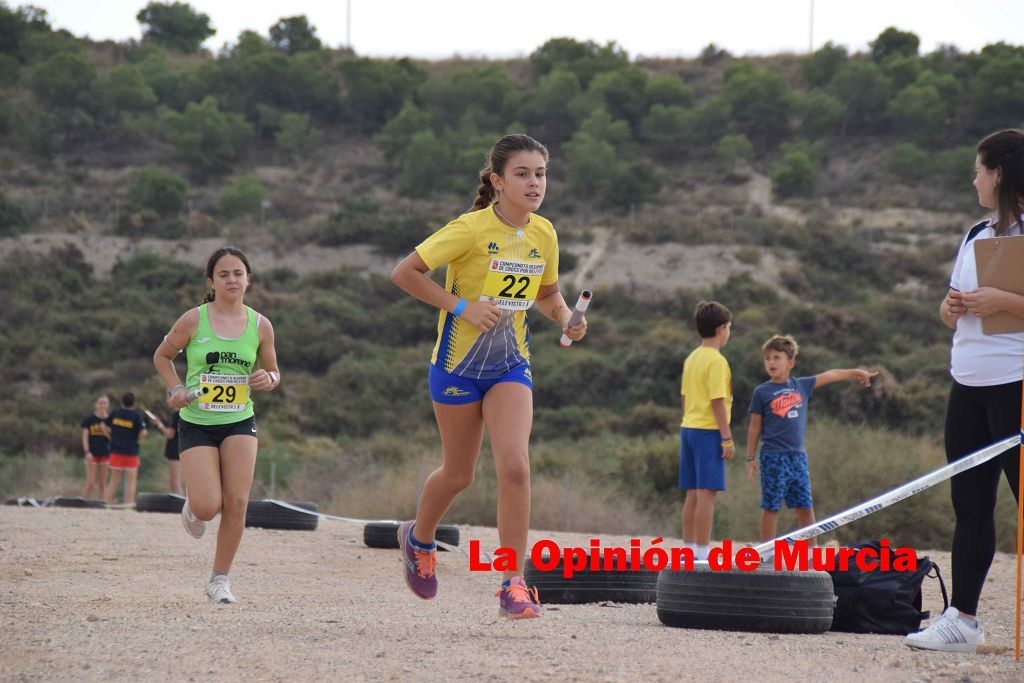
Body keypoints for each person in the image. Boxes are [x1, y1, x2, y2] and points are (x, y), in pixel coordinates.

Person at [390, 134, 586, 620]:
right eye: (522, 173)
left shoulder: (545, 233)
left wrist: (566, 319)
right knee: (459, 474)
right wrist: (461, 306)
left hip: (509, 367)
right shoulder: (470, 229)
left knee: (516, 468)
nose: (534, 182)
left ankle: (512, 584)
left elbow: (547, 295)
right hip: (456, 366)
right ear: (498, 181)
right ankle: (418, 538)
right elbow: (405, 272)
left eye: (540, 173)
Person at [906, 128, 1024, 653]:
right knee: (970, 505)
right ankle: (963, 621)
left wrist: (1002, 297)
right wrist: (950, 307)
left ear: (998, 174)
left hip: (1016, 382)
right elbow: (947, 308)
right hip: (967, 383)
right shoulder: (976, 233)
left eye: (978, 170)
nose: (972, 179)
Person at [153, 246, 280, 605]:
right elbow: (161, 356)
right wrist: (176, 388)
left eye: (238, 273)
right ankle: (194, 507)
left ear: (248, 279)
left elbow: (274, 371)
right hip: (197, 421)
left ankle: (219, 580)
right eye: (223, 274)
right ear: (211, 281)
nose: (232, 280)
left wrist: (267, 379)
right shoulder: (193, 320)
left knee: (238, 502)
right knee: (209, 506)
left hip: (240, 419)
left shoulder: (260, 325)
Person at [745, 334, 877, 543]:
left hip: (797, 457)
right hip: (773, 457)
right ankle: (767, 552)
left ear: (791, 363)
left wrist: (855, 372)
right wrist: (750, 458)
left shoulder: (801, 386)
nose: (771, 362)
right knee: (771, 506)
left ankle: (811, 553)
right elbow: (754, 427)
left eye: (777, 357)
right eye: (768, 358)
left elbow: (831, 374)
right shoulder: (761, 391)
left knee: (805, 506)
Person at [679, 301, 734, 562]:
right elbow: (717, 401)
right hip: (708, 431)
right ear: (722, 329)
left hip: (688, 428)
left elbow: (684, 396)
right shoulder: (717, 361)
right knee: (706, 494)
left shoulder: (692, 357)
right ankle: (702, 552)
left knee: (692, 493)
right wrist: (727, 438)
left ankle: (688, 549)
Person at [104, 392, 147, 504]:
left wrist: (110, 437)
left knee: (113, 481)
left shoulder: (115, 412)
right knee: (131, 481)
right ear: (134, 402)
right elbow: (143, 432)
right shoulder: (137, 415)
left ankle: (105, 504)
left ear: (121, 401)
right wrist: (137, 439)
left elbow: (103, 425)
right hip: (131, 451)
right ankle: (129, 506)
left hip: (116, 451)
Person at [80, 394, 111, 499]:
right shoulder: (89, 420)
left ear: (108, 405)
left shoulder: (111, 420)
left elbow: (113, 438)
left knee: (102, 484)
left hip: (105, 453)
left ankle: (101, 505)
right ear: (96, 405)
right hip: (92, 453)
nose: (102, 406)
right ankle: (84, 503)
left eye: (105, 403)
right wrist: (87, 451)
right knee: (91, 482)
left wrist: (105, 430)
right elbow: (85, 437)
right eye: (100, 403)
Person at [148, 410, 183, 494]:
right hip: (181, 449)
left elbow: (170, 434)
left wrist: (159, 424)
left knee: (174, 482)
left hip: (175, 451)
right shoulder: (184, 413)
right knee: (177, 482)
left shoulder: (177, 414)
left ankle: (179, 505)